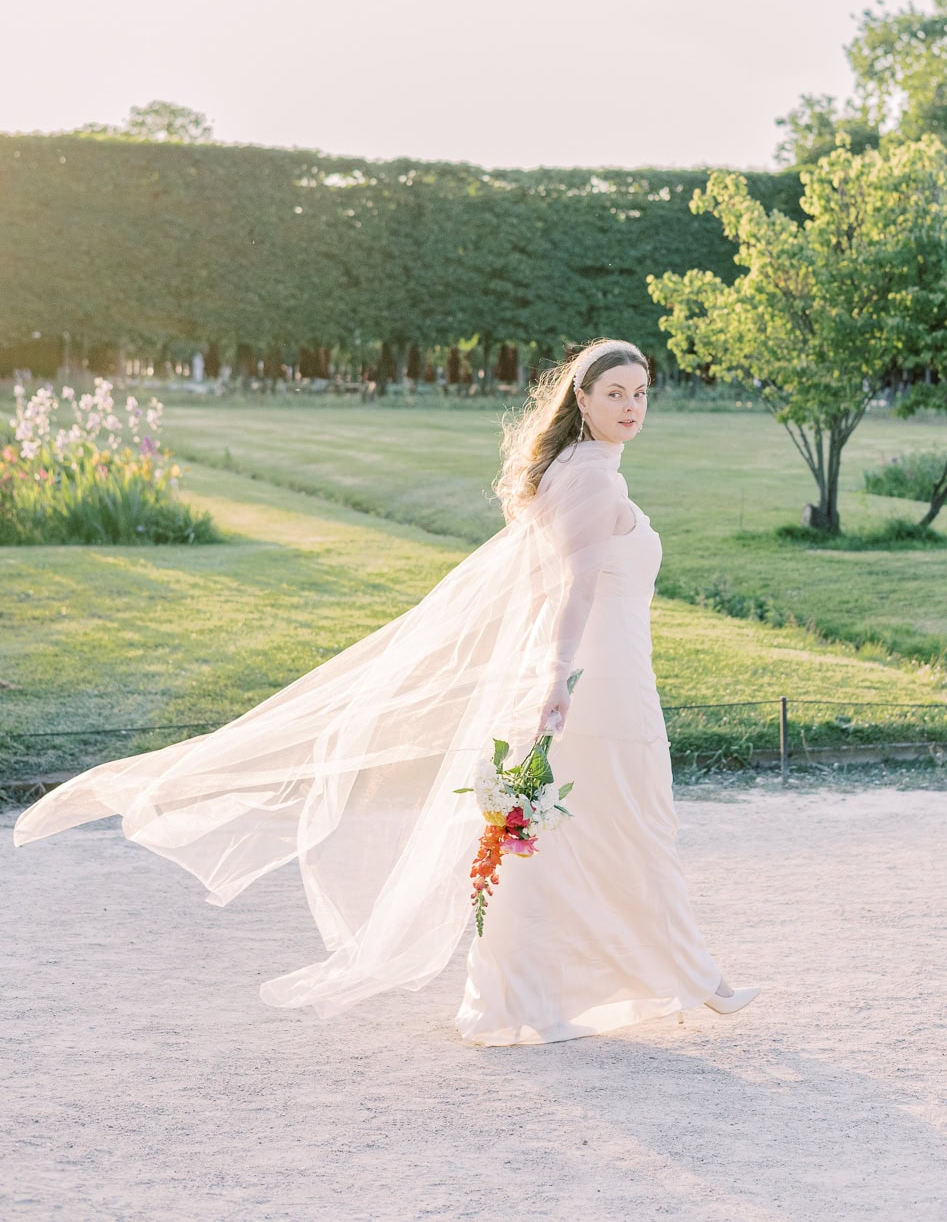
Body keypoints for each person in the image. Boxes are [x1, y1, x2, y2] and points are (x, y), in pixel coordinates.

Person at [14, 339, 758, 1042]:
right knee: (632, 824)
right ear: (584, 401)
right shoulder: (593, 477)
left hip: (598, 676)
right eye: (616, 393)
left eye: (641, 393)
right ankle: (692, 977)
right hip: (604, 685)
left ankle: (533, 994)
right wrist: (560, 681)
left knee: (573, 839)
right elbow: (572, 592)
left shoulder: (574, 468)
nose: (632, 406)